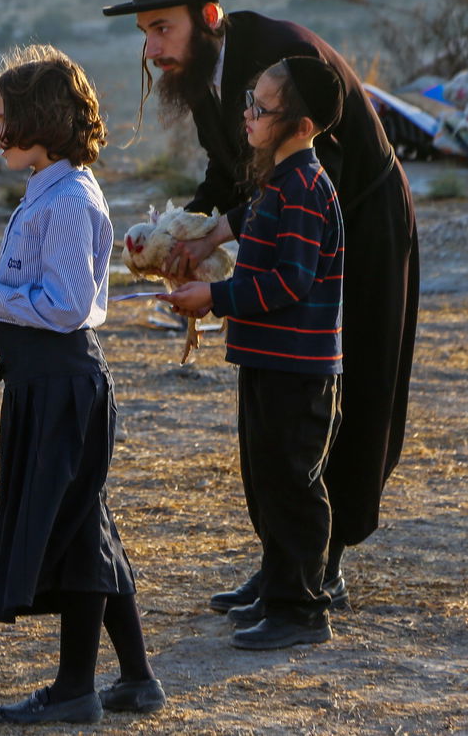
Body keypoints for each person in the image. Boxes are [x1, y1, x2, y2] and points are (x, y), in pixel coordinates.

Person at [103, 0, 419, 614]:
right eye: (145, 32)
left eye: (163, 28)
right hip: (289, 222)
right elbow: (228, 171)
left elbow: (312, 176)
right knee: (273, 409)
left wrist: (221, 232)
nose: (153, 49)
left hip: (361, 223)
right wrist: (174, 233)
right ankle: (282, 564)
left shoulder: (278, 63)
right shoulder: (210, 72)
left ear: (209, 15)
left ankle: (317, 569)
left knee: (344, 391)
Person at [0, 45, 164, 725]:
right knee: (87, 520)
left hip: (64, 381)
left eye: (3, 116)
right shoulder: (50, 190)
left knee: (76, 529)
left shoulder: (68, 200)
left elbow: (65, 304)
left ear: (37, 120)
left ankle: (75, 688)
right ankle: (137, 678)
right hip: (46, 382)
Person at [161, 56, 346, 650]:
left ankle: (302, 608)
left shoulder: (305, 189)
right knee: (263, 477)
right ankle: (275, 581)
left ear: (302, 125)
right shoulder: (280, 181)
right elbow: (256, 216)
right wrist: (217, 232)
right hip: (268, 360)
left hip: (299, 366)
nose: (247, 115)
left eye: (262, 109)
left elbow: (290, 281)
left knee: (292, 483)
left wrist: (213, 296)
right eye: (250, 99)